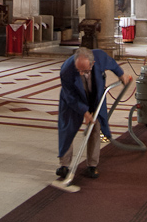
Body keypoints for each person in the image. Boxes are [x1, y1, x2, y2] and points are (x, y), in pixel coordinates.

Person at [56, 46, 131, 180]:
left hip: (95, 97)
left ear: (92, 63)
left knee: (95, 127)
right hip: (73, 100)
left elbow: (112, 63)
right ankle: (64, 165)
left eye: (85, 70)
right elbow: (70, 96)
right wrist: (84, 111)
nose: (81, 73)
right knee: (67, 128)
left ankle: (92, 165)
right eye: (78, 70)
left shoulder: (100, 57)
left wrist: (121, 74)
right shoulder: (66, 70)